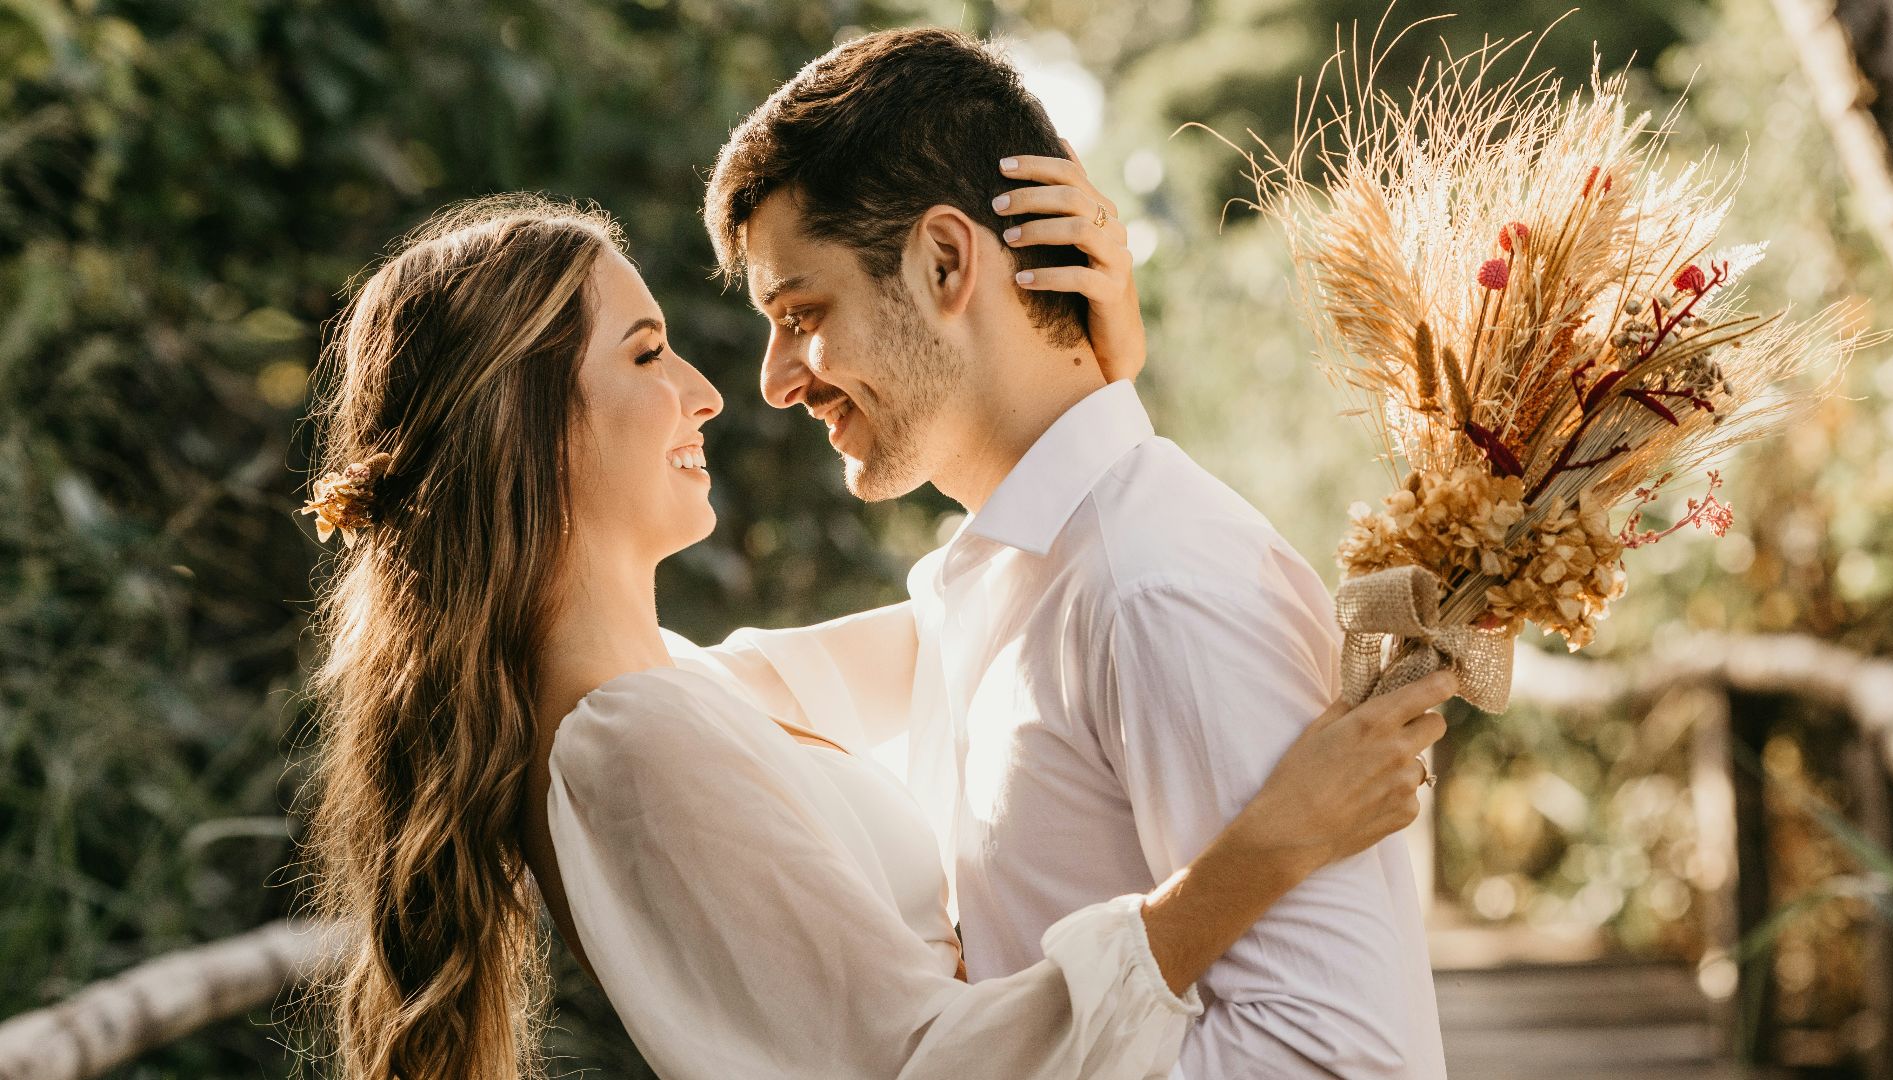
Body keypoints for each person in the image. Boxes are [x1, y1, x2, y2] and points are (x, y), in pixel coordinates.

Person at [300, 190, 1452, 1080]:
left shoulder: (681, 696)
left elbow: (988, 608)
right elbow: (917, 1064)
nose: (709, 391)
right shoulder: (629, 746)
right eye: (647, 353)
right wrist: (1262, 854)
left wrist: (1079, 379)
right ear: (525, 422)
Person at [685, 26, 1448, 1078]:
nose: (777, 378)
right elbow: (691, 695)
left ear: (946, 260)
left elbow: (1338, 1059)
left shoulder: (1160, 585)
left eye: (803, 312)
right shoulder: (994, 581)